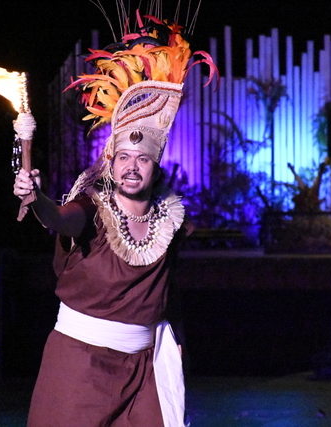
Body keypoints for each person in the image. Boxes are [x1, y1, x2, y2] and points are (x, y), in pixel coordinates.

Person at [13, 11, 216, 427]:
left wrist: (177, 342)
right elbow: (58, 218)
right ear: (111, 162)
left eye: (142, 159)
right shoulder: (91, 210)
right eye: (124, 157)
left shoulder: (171, 222)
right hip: (80, 363)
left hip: (143, 369)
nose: (132, 167)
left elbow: (169, 290)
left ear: (156, 168)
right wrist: (36, 198)